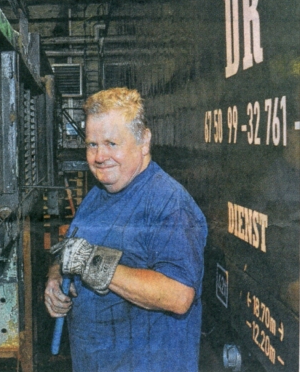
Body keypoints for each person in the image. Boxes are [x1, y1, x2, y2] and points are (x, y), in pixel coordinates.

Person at [45, 87, 207, 372]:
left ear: (144, 141)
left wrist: (92, 263)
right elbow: (72, 251)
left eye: (111, 143)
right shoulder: (99, 193)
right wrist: (56, 276)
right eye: (92, 144)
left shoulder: (168, 203)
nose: (99, 156)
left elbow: (179, 295)